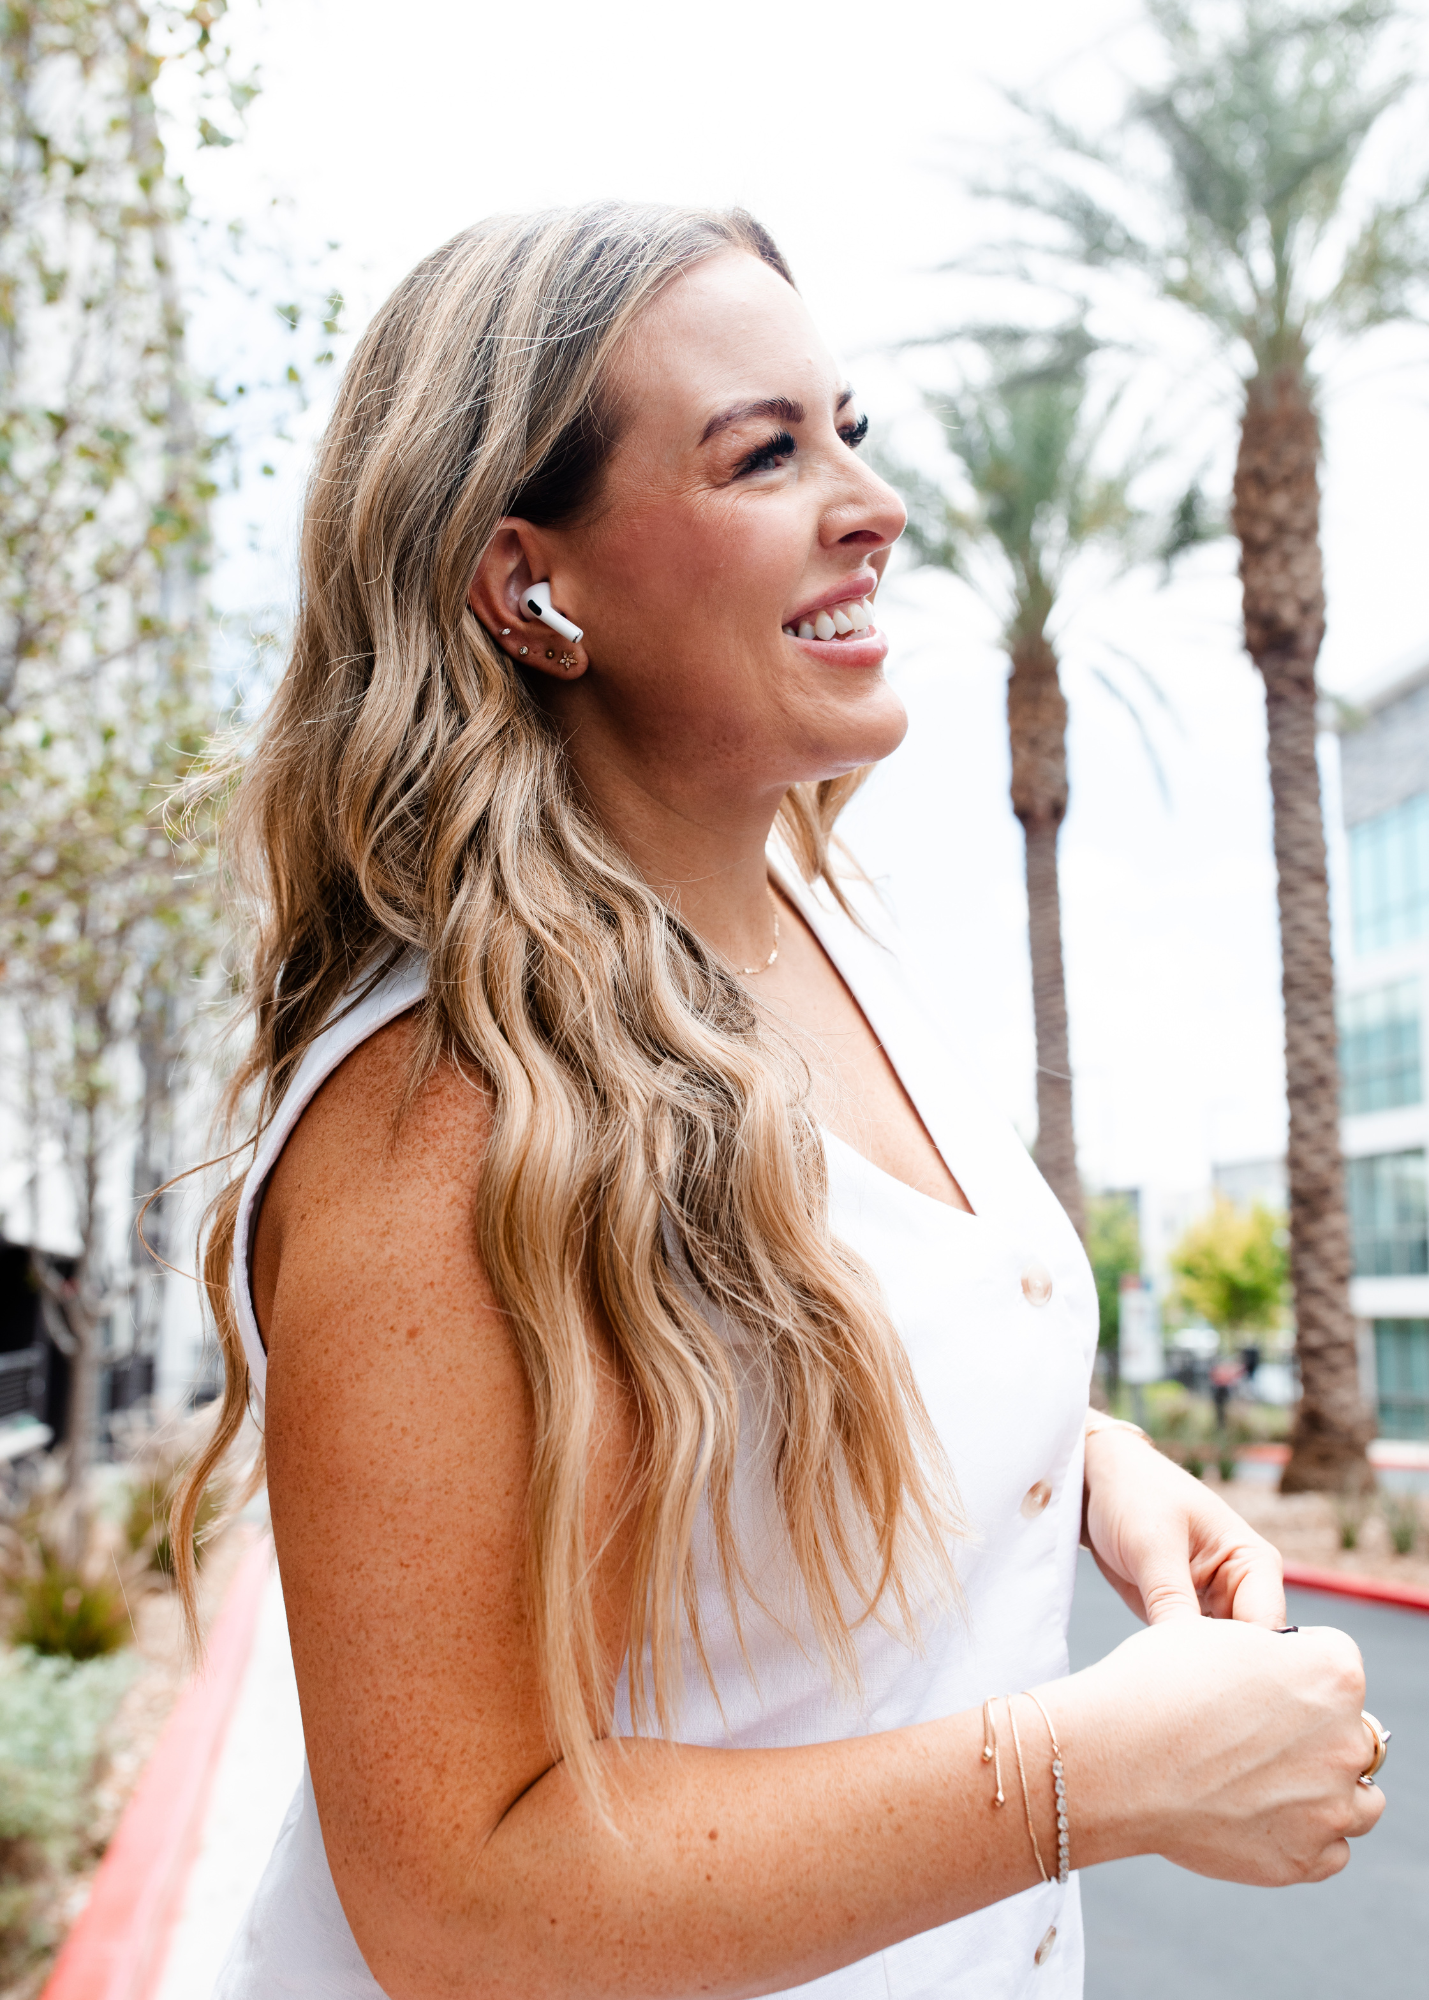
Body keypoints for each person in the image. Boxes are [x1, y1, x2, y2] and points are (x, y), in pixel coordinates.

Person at [176, 203, 1385, 2000]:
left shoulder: (807, 921)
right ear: (529, 589)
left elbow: (767, 1376)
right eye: (765, 454)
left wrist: (1071, 1462)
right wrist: (1098, 1774)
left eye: (851, 432)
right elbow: (457, 1897)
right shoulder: (437, 1112)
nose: (872, 504)